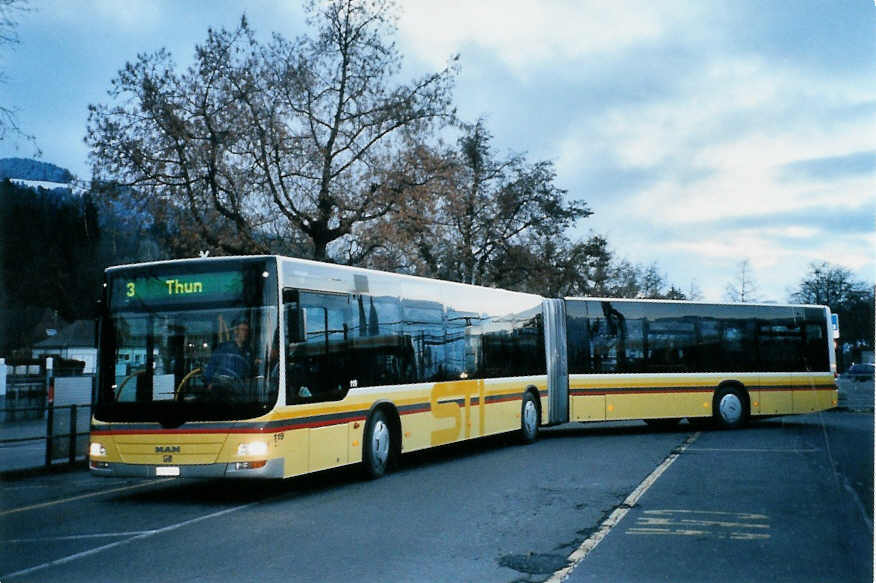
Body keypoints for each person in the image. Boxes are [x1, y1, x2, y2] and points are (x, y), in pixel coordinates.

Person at [204, 318, 254, 388]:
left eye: (246, 330)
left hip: (242, 390)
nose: (245, 333)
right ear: (236, 331)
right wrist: (209, 383)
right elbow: (211, 367)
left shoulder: (249, 351)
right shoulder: (223, 348)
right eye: (242, 330)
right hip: (224, 388)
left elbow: (250, 372)